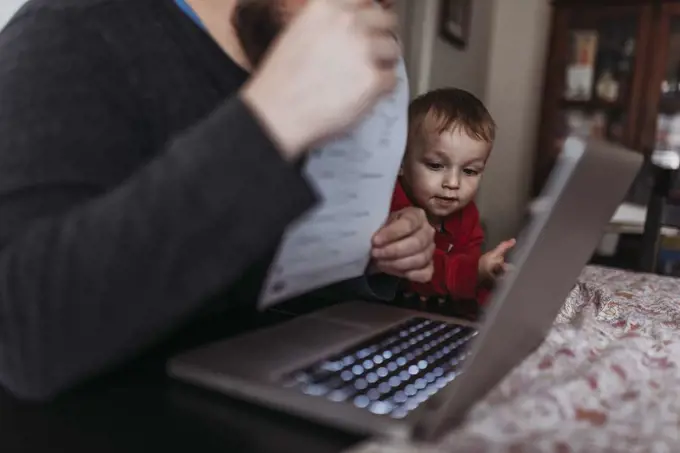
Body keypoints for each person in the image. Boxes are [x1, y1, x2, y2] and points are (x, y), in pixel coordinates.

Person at [0, 0, 435, 401]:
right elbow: (25, 337)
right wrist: (270, 120)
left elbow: (247, 277)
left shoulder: (277, 55)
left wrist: (371, 253)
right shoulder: (74, 28)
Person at [387, 88, 515, 305]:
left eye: (470, 171)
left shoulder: (467, 215)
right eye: (436, 166)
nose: (453, 183)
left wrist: (489, 280)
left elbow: (465, 284)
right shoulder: (392, 207)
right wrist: (474, 273)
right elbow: (420, 273)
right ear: (400, 163)